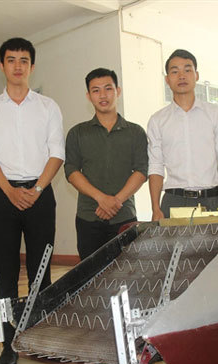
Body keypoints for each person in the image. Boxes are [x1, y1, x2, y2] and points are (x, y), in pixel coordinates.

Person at [0, 37, 65, 364]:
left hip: (41, 194)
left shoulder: (48, 107)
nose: (17, 66)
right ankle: (8, 341)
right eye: (11, 60)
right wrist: (10, 190)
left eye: (24, 60)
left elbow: (57, 152)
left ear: (31, 65)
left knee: (41, 274)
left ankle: (40, 337)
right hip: (2, 196)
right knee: (5, 276)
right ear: (2, 65)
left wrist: (38, 187)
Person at [65, 68, 148, 260]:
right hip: (88, 217)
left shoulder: (135, 132)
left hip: (124, 218)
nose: (103, 95)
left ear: (118, 91)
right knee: (89, 279)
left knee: (125, 276)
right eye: (96, 90)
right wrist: (101, 198)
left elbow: (142, 170)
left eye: (108, 88)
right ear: (88, 96)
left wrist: (116, 200)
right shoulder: (77, 133)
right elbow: (71, 170)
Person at [147, 49, 218, 220]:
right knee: (174, 248)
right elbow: (156, 166)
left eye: (187, 70)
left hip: (212, 200)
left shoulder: (216, 114)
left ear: (197, 75)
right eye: (174, 71)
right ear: (167, 79)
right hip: (173, 201)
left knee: (214, 247)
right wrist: (155, 208)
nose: (181, 76)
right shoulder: (158, 120)